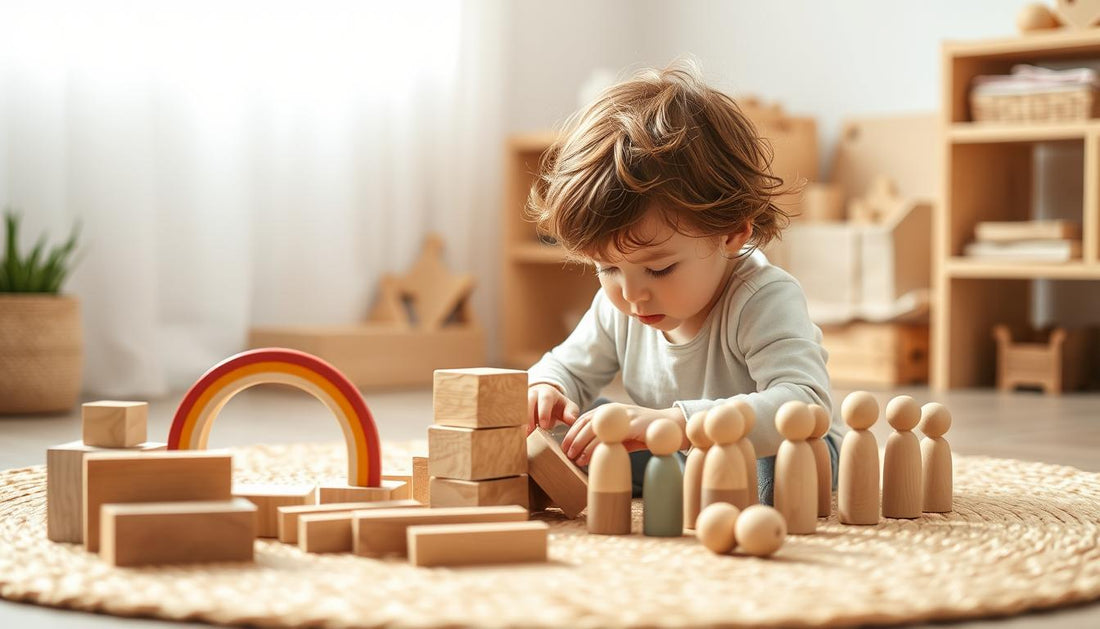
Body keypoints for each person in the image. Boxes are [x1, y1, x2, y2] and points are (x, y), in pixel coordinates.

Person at [524, 61, 840, 505]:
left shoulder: (763, 296)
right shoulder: (619, 304)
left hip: (777, 452)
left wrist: (677, 423)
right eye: (607, 268)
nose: (631, 294)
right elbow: (567, 367)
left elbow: (804, 405)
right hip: (677, 453)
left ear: (731, 233)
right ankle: (677, 477)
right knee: (578, 433)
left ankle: (701, 483)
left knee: (777, 466)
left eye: (659, 269)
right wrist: (546, 389)